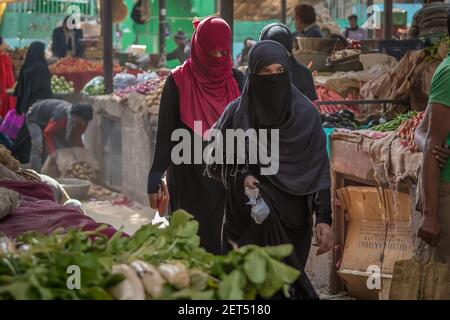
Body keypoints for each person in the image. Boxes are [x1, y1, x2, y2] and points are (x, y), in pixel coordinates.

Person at [206, 41, 333, 299]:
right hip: (244, 221)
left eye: (279, 71)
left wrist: (324, 218)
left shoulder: (305, 116)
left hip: (292, 224)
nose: (273, 79)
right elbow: (213, 159)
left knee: (283, 290)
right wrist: (242, 177)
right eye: (265, 73)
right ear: (253, 75)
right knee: (244, 291)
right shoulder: (237, 114)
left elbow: (319, 167)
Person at [147, 17, 245, 255]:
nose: (218, 59)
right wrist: (154, 178)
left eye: (224, 52)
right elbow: (166, 135)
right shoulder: (178, 81)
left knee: (225, 246)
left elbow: (247, 133)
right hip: (188, 178)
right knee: (192, 245)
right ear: (199, 47)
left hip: (227, 180)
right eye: (212, 53)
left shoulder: (238, 81)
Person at [413, 9, 450, 264]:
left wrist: (426, 142)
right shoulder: (448, 73)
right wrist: (430, 214)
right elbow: (429, 135)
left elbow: (422, 132)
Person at [12, 42, 53, 165]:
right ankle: (16, 155)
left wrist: (21, 105)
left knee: (27, 131)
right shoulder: (41, 66)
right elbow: (44, 88)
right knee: (31, 132)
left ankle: (18, 155)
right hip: (38, 104)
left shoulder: (27, 66)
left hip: (28, 103)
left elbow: (20, 88)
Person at [26, 99, 93, 172]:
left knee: (60, 148)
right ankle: (36, 172)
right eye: (82, 120)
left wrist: (80, 153)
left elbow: (76, 138)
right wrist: (52, 152)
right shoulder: (61, 116)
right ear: (76, 116)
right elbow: (48, 133)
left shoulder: (83, 121)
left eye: (85, 121)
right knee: (38, 144)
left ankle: (54, 172)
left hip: (50, 120)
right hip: (35, 117)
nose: (83, 123)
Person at [260, 23, 317, 101]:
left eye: (283, 53)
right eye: (272, 53)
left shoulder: (304, 74)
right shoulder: (254, 73)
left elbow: (310, 108)